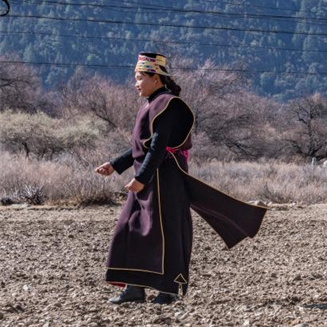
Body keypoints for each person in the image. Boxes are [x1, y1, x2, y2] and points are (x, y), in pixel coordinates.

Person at [95, 53, 267, 304]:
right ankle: (135, 288)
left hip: (165, 181)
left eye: (140, 77)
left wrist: (141, 178)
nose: (136, 83)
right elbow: (140, 148)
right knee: (130, 229)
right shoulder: (150, 103)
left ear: (155, 78)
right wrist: (115, 165)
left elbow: (158, 147)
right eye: (136, 78)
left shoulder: (168, 104)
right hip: (148, 178)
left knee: (167, 233)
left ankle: (168, 290)